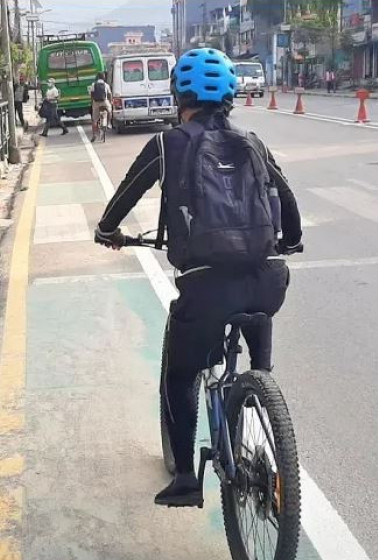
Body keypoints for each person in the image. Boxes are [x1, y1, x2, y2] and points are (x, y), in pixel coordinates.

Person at [93, 48, 303, 508]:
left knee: (181, 374)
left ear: (179, 96)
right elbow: (287, 200)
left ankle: (187, 479)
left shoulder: (168, 144)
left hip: (206, 286)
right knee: (257, 358)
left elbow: (126, 195)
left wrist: (107, 231)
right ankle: (259, 403)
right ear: (230, 94)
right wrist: (289, 242)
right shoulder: (253, 141)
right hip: (267, 281)